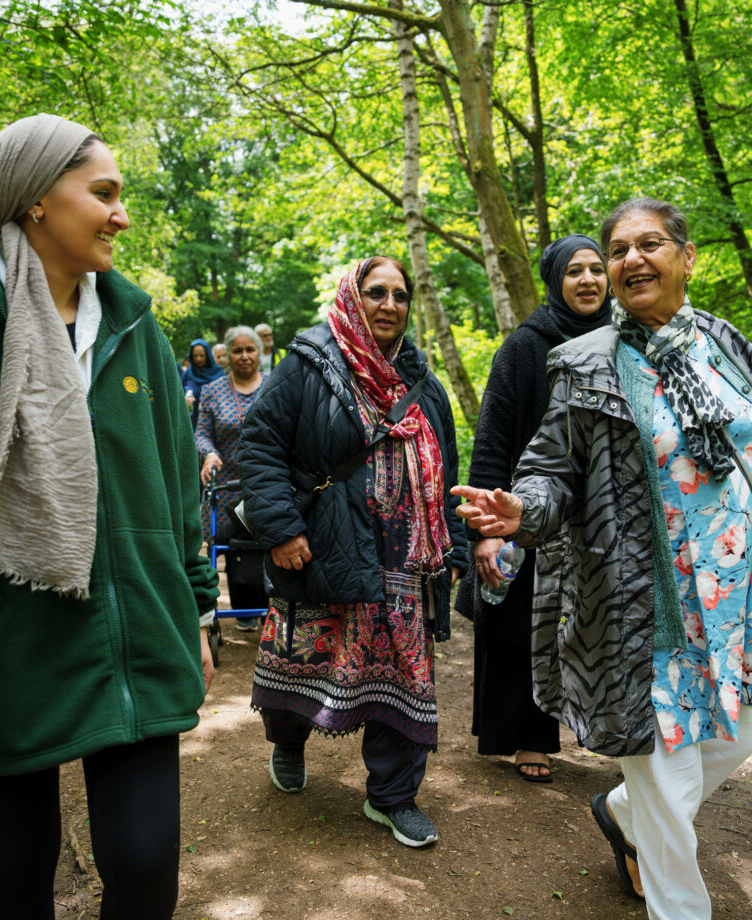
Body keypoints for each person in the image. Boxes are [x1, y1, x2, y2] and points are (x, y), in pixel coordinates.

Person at [0, 114, 218, 919]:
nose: (121, 216)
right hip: (4, 661)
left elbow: (178, 491)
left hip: (137, 649)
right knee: (16, 883)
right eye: (104, 193)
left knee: (145, 870)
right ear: (34, 200)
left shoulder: (136, 328)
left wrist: (195, 612)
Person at [452, 198, 752, 919]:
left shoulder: (723, 342)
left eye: (650, 244)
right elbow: (549, 470)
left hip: (737, 596)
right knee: (668, 786)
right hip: (641, 608)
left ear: (687, 257)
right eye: (619, 250)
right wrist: (521, 512)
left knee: (736, 733)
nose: (630, 260)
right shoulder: (585, 362)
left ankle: (621, 809)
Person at [238, 257, 469, 848]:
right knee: (302, 658)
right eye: (376, 292)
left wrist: (456, 548)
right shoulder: (308, 362)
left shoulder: (423, 381)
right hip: (321, 547)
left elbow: (447, 470)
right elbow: (259, 444)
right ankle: (287, 742)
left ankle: (393, 796)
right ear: (351, 296)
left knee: (404, 673)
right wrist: (281, 529)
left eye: (400, 295)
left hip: (405, 562)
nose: (389, 304)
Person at [455, 234, 610, 782]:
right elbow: (492, 439)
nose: (588, 280)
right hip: (525, 511)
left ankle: (621, 738)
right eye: (574, 271)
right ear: (554, 281)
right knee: (520, 623)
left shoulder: (626, 343)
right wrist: (486, 532)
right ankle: (528, 737)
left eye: (596, 269)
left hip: (599, 516)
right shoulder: (525, 347)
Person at [196, 325, 267, 631]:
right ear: (227, 355)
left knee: (270, 543)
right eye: (237, 350)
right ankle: (243, 610)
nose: (244, 356)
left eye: (250, 349)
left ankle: (271, 608)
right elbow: (201, 434)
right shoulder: (212, 391)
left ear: (259, 352)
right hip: (226, 488)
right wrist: (209, 453)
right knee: (233, 548)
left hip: (267, 485)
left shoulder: (275, 385)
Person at [182, 337, 224, 428]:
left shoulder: (218, 373)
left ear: (207, 355)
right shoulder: (187, 374)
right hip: (192, 423)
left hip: (215, 423)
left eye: (202, 355)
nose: (198, 359)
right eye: (195, 356)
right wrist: (184, 401)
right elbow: (179, 396)